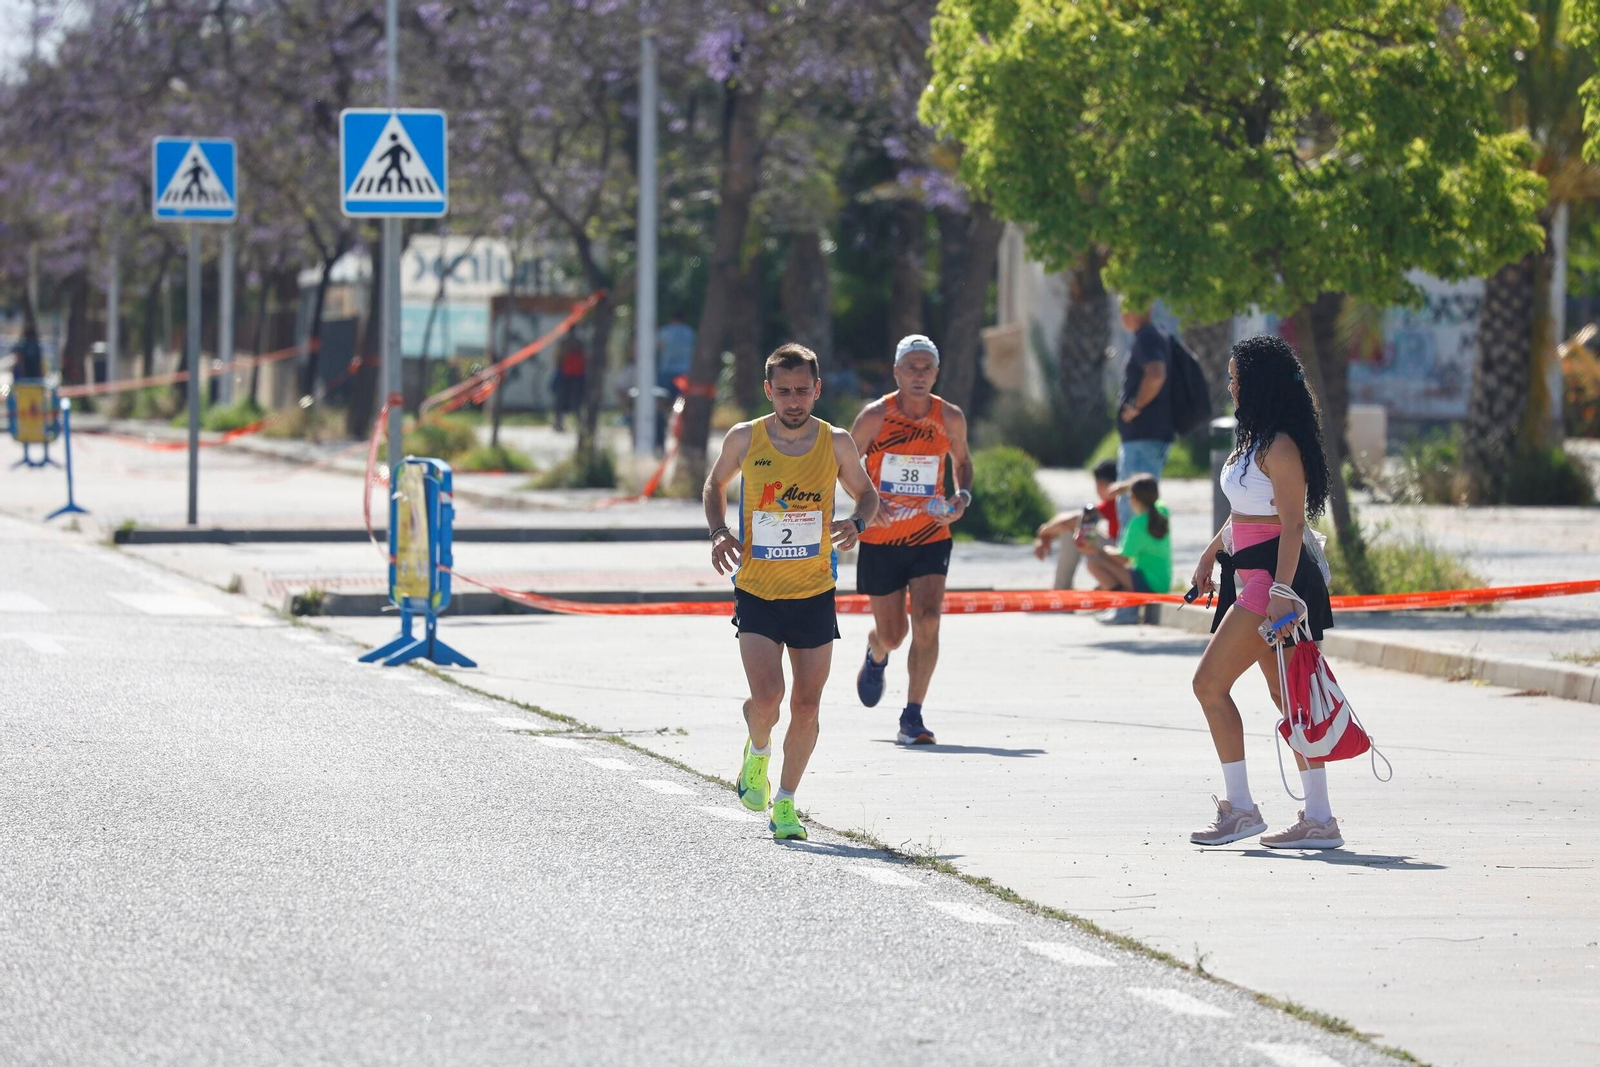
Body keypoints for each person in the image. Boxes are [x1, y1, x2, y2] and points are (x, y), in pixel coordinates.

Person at [704, 343, 879, 841]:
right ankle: (756, 752)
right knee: (769, 697)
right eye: (784, 391)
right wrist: (719, 532)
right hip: (757, 589)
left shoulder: (837, 442)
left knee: (806, 704)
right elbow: (712, 486)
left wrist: (859, 522)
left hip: (814, 592)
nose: (794, 400)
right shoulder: (745, 438)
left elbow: (867, 493)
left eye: (803, 390)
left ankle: (786, 803)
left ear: (818, 389)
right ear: (768, 391)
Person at [1188, 334, 1339, 850]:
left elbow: (1292, 525)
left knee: (1208, 684)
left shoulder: (1280, 446)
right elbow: (1243, 514)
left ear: (1260, 384)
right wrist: (1211, 553)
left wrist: (1277, 591)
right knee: (1287, 697)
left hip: (1272, 584)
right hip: (1244, 577)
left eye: (1237, 379)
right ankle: (1319, 818)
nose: (1230, 387)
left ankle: (1242, 810)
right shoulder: (1251, 442)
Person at [849, 334, 974, 746]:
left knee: (929, 619)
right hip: (883, 538)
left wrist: (962, 497)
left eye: (927, 368)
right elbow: (844, 464)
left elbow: (964, 463)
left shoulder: (949, 418)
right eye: (912, 367)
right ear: (897, 371)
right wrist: (866, 503)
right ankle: (876, 650)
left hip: (930, 535)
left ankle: (912, 715)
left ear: (936, 373)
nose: (920, 375)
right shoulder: (875, 417)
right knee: (894, 634)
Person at [1115, 304, 1175, 530]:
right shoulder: (1151, 336)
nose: (1121, 313)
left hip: (1144, 437)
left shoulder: (1148, 338)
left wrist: (1135, 407)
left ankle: (1133, 561)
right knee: (1135, 505)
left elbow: (1156, 374)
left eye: (1125, 306)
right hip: (1145, 437)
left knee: (1134, 506)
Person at [1080, 474, 1171, 617]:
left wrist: (1102, 550)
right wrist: (1134, 486)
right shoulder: (1162, 511)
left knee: (1094, 562)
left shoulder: (1138, 523)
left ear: (1134, 498)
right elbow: (1150, 491)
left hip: (1148, 584)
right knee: (1102, 579)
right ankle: (1119, 607)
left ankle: (1123, 610)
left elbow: (1124, 559)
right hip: (1161, 582)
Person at [1034, 459, 1126, 589]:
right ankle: (1062, 589)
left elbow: (1074, 519)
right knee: (1074, 527)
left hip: (1122, 553)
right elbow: (1068, 518)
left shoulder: (1115, 501)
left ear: (1100, 484)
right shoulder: (1120, 501)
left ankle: (1061, 589)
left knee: (1074, 526)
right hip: (1120, 551)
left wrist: (1043, 533)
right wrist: (1046, 534)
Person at [656, 310, 695, 447]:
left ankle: (661, 440)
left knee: (661, 405)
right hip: (683, 374)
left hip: (666, 372)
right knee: (682, 406)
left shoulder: (664, 332)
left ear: (671, 319)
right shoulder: (689, 333)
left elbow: (657, 347)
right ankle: (682, 439)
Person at [551, 335, 586, 432]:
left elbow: (557, 358)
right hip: (574, 376)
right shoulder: (579, 343)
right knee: (575, 401)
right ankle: (580, 425)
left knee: (563, 401)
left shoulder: (565, 343)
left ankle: (560, 423)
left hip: (568, 375)